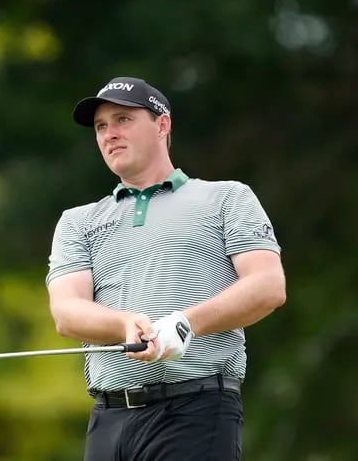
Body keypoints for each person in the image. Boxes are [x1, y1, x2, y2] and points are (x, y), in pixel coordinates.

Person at [46, 76, 286, 460]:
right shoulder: (78, 221)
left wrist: (187, 324)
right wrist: (122, 324)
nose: (110, 134)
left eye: (123, 120)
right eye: (101, 127)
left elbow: (268, 285)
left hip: (195, 409)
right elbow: (66, 312)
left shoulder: (226, 198)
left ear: (162, 125)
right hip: (108, 419)